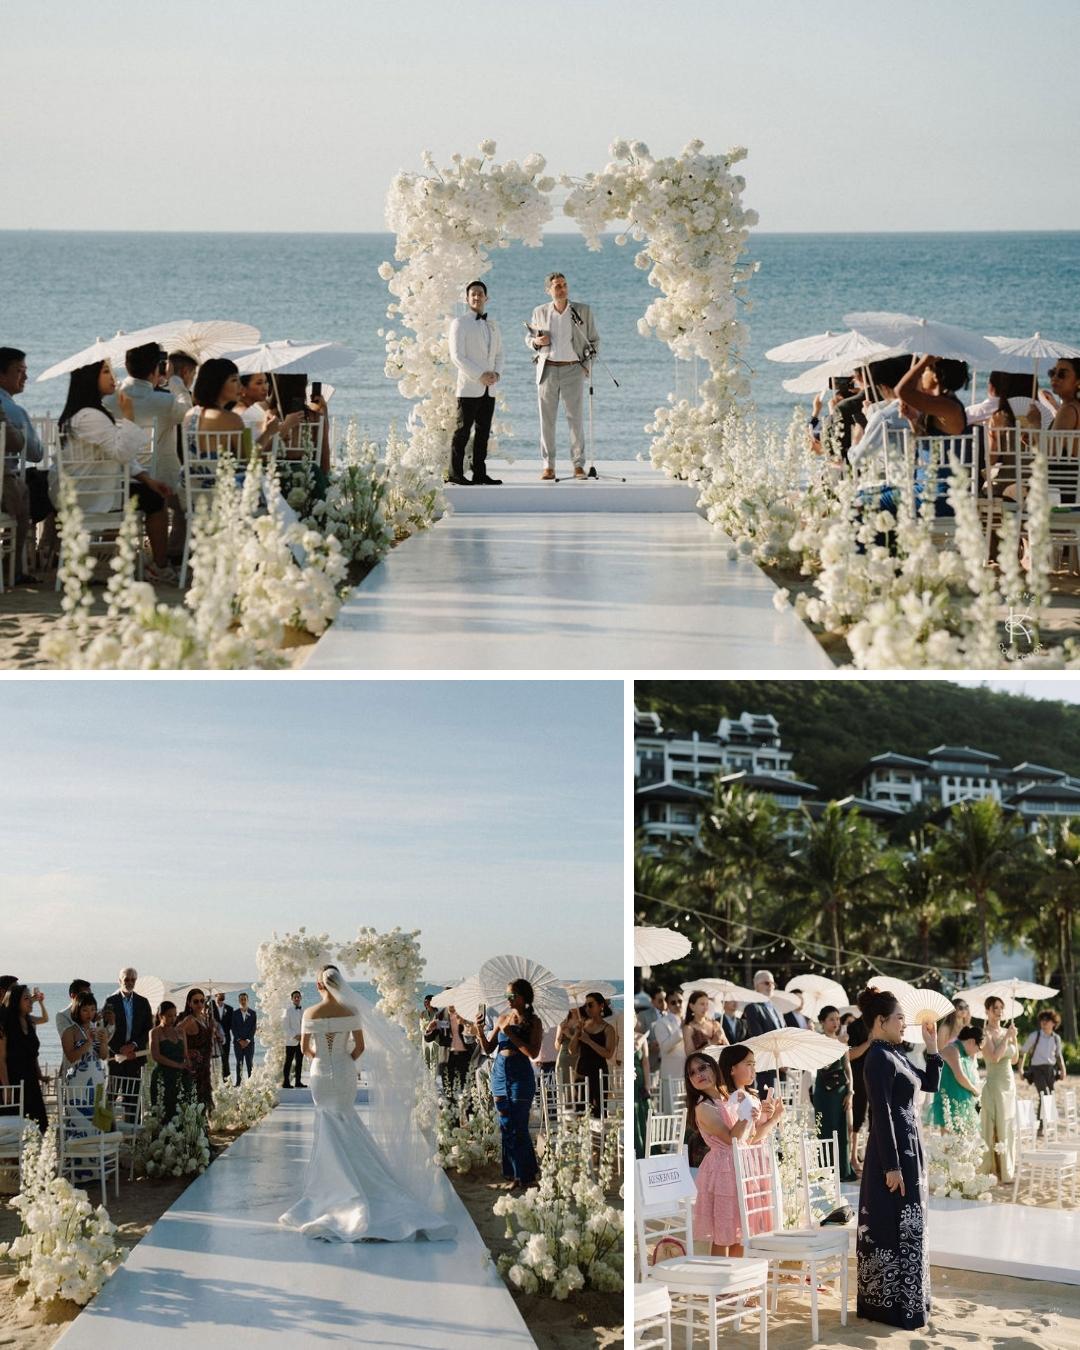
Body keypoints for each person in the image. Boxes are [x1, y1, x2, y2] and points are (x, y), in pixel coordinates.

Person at [279, 964, 455, 1241]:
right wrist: (343, 1060)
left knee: (327, 1122)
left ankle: (332, 1189)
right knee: (346, 1120)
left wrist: (321, 1059)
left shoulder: (310, 1013)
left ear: (319, 986)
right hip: (346, 1070)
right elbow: (359, 1048)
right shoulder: (351, 1012)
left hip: (321, 1073)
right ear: (340, 983)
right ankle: (362, 1182)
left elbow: (304, 1050)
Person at [856, 986, 940, 1331]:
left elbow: (929, 1084)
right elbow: (882, 1113)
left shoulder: (897, 1055)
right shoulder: (877, 1058)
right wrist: (890, 1166)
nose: (905, 1024)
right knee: (891, 1225)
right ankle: (889, 1307)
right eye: (899, 1018)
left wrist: (932, 1048)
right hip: (890, 1155)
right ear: (881, 1021)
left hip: (909, 1149)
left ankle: (912, 1301)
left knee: (910, 1225)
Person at [54, 361, 177, 584]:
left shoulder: (83, 413)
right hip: (91, 493)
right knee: (156, 501)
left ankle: (114, 560)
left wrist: (146, 479)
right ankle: (159, 566)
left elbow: (116, 455)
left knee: (151, 493)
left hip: (84, 489)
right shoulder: (90, 415)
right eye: (105, 372)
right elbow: (121, 453)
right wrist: (129, 415)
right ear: (90, 378)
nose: (113, 377)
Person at [687, 1047, 784, 1257]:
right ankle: (720, 1286)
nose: (699, 1075)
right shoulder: (703, 1107)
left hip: (742, 1166)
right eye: (692, 1073)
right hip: (723, 1170)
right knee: (723, 1233)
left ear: (713, 1068)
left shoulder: (729, 1097)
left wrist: (766, 1117)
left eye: (703, 1067)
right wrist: (745, 1116)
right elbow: (732, 1139)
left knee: (741, 1230)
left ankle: (736, 1281)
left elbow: (749, 1139)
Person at [525, 272, 600, 481]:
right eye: (557, 286)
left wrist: (586, 366)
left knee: (575, 420)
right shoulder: (539, 311)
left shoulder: (582, 311)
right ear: (548, 290)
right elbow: (530, 338)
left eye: (565, 285)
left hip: (572, 369)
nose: (562, 289)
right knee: (546, 421)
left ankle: (578, 466)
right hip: (547, 369)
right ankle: (548, 466)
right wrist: (535, 343)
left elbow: (594, 341)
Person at [474, 977, 542, 1190]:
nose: (508, 1000)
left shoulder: (534, 1022)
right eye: (507, 996)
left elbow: (533, 1053)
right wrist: (478, 1029)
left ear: (523, 998)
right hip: (500, 1074)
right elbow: (487, 1048)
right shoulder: (503, 1018)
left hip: (521, 1075)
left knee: (518, 1125)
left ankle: (527, 1176)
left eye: (512, 996)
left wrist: (511, 1033)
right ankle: (513, 1176)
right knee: (505, 1126)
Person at [447, 280, 503, 485]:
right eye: (473, 294)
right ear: (467, 298)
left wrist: (496, 374)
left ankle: (480, 473)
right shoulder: (459, 323)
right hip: (469, 387)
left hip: (490, 388)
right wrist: (480, 375)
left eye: (480, 294)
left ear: (486, 298)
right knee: (462, 432)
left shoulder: (493, 325)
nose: (477, 297)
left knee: (483, 433)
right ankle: (455, 473)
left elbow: (499, 354)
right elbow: (457, 356)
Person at [0, 346, 47, 583]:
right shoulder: (12, 411)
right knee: (39, 487)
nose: (26, 377)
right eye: (20, 371)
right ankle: (16, 568)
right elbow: (36, 453)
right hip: (4, 487)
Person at [813, 1005, 857, 1181]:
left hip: (841, 1091)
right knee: (825, 1128)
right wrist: (837, 1045)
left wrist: (851, 1091)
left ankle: (843, 1169)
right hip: (824, 1091)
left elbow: (847, 1067)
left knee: (842, 1129)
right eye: (831, 1019)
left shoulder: (842, 1041)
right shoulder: (818, 1041)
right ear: (822, 1022)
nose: (836, 1022)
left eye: (838, 1019)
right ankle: (825, 1171)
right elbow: (822, 1065)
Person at [980, 996, 1018, 1183]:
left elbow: (1015, 1059)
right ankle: (997, 1170)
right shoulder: (984, 1033)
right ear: (987, 1010)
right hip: (995, 1085)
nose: (1000, 1011)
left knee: (1009, 1127)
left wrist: (1014, 1039)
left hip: (1010, 1084)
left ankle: (1007, 1169)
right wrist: (1007, 1039)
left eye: (1001, 1008)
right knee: (999, 1126)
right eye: (996, 1008)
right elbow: (994, 1057)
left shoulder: (1006, 1031)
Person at [0, 984, 49, 1131]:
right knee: (14, 1128)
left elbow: (32, 1055)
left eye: (30, 998)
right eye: (26, 998)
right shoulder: (5, 1024)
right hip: (13, 1080)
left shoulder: (29, 1021)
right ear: (15, 1001)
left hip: (31, 1081)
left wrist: (40, 1075)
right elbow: (1, 1059)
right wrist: (7, 1087)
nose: (30, 1001)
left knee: (40, 1124)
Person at [60, 992, 110, 1136]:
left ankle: (97, 1156)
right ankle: (76, 1156)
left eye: (93, 1009)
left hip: (98, 1080)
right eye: (85, 1010)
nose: (90, 1013)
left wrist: (104, 1042)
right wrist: (88, 1042)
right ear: (77, 1010)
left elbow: (103, 1055)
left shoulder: (98, 1030)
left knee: (98, 1123)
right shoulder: (69, 1031)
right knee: (79, 1122)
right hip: (78, 1082)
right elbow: (71, 1057)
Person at [929, 1013, 980, 1130]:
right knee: (948, 1141)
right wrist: (975, 1090)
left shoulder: (963, 1053)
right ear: (972, 1041)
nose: (976, 1052)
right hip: (948, 1100)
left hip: (958, 1099)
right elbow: (960, 1076)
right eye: (978, 1048)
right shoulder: (952, 1049)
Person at [571, 991, 618, 1119]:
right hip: (581, 1071)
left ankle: (599, 1138)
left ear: (601, 1006)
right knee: (580, 1112)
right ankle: (581, 1137)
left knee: (599, 1112)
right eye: (585, 1006)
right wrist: (576, 1033)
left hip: (599, 1073)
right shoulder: (582, 1026)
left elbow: (608, 1054)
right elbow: (572, 1050)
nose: (587, 1008)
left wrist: (589, 1041)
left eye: (590, 1005)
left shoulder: (608, 1029)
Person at [103, 968, 152, 1087]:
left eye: (133, 980)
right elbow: (105, 1030)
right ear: (120, 981)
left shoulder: (143, 1002)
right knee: (111, 1096)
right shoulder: (110, 1002)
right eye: (126, 979)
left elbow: (148, 1029)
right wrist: (120, 1049)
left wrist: (133, 1045)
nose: (130, 982)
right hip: (116, 1057)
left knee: (134, 1098)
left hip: (136, 1057)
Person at [1020, 1008, 1067, 1132]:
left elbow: (1058, 1055)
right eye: (1042, 1020)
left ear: (1054, 1023)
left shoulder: (1056, 1038)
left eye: (1047, 1020)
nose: (1044, 1022)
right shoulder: (1035, 1036)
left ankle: (1044, 1125)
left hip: (1050, 1070)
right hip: (1036, 1070)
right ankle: (1042, 1125)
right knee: (1044, 1094)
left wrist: (1063, 1069)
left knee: (1048, 1096)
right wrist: (1020, 1069)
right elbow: (1023, 1051)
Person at [741, 970, 786, 1096]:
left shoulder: (777, 1009)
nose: (770, 986)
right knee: (765, 1104)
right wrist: (775, 1058)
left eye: (772, 983)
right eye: (766, 983)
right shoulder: (752, 1008)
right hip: (764, 1066)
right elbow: (759, 1038)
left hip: (780, 1065)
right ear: (756, 986)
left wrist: (783, 1059)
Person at [149, 1001, 190, 1125]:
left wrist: (188, 1065)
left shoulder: (180, 1031)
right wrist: (177, 1065)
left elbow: (185, 1054)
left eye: (175, 1015)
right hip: (163, 1075)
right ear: (161, 1016)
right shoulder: (155, 1032)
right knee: (164, 1110)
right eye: (169, 1016)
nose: (173, 1018)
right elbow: (156, 1056)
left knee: (184, 1107)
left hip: (181, 1075)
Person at [176, 988, 214, 1114]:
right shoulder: (189, 1019)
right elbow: (176, 1032)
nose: (199, 1004)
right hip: (194, 1067)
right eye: (196, 1001)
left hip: (204, 1066)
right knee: (195, 1100)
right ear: (189, 1003)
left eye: (202, 1001)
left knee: (203, 1099)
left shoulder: (204, 1018)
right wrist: (186, 1051)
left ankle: (201, 1130)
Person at [653, 990, 686, 1112]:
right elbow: (665, 1047)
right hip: (672, 1074)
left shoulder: (690, 1021)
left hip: (690, 1073)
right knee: (673, 1112)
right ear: (667, 1004)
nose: (677, 1004)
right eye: (673, 1002)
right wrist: (681, 1030)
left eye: (680, 1001)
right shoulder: (661, 1023)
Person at [682, 989, 726, 1061]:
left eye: (707, 1004)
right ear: (692, 1006)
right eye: (702, 1004)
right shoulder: (688, 1028)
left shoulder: (716, 1024)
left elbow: (728, 1047)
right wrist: (711, 1043)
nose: (705, 1008)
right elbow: (690, 1056)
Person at [282, 989, 306, 1089]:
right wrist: (295, 1035)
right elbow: (285, 1026)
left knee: (299, 1062)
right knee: (288, 1062)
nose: (296, 998)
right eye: (295, 997)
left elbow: (305, 1025)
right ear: (292, 999)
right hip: (291, 1041)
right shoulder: (288, 1011)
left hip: (301, 1040)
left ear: (300, 998)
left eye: (298, 996)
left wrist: (303, 1036)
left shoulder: (304, 1010)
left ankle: (298, 1082)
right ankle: (286, 1082)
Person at [1048, 358, 1080, 432]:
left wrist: (1035, 423)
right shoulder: (1075, 406)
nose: (1054, 377)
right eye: (1052, 372)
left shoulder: (1068, 410)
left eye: (1062, 374)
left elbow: (1050, 443)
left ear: (1078, 381)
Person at [232, 992, 256, 1084]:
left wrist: (247, 1041)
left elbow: (253, 1028)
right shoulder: (235, 1013)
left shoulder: (253, 1013)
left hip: (249, 1043)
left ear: (247, 1000)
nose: (243, 1001)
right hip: (238, 1043)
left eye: (244, 999)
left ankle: (251, 1083)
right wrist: (239, 1040)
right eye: (241, 999)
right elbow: (233, 1028)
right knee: (239, 1063)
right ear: (239, 1000)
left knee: (249, 1063)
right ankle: (238, 1082)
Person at [554, 1005, 582, 1086]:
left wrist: (569, 1035)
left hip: (578, 1058)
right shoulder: (563, 1021)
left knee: (579, 1090)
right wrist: (560, 1036)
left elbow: (584, 1041)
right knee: (564, 1089)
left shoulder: (583, 1020)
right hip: (563, 1059)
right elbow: (557, 1047)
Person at [210, 990, 233, 1081]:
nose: (223, 995)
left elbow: (232, 1025)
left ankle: (226, 1081)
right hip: (213, 1038)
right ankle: (214, 1079)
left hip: (226, 1037)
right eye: (221, 993)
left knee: (225, 1059)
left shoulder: (230, 1009)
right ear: (216, 994)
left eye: (224, 993)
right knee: (213, 1059)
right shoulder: (210, 1008)